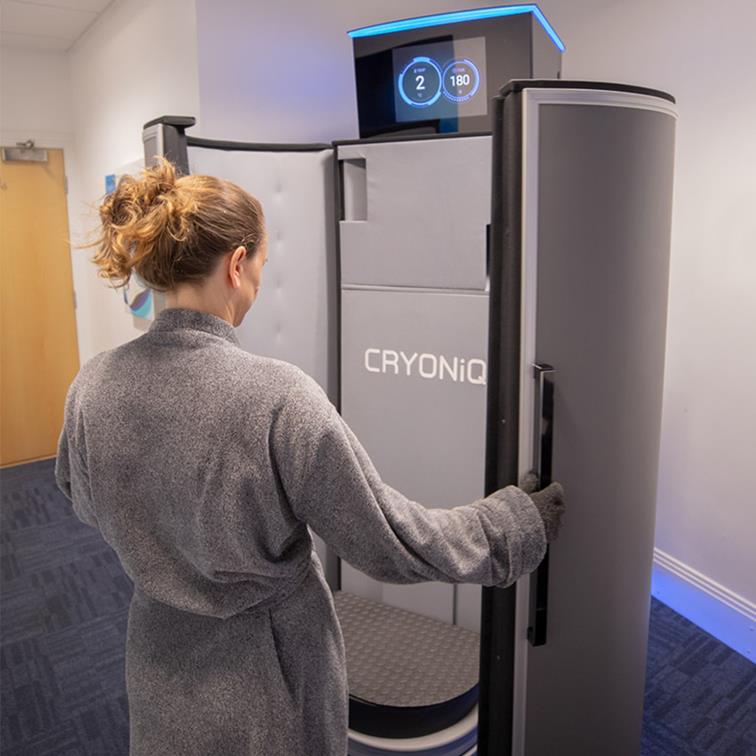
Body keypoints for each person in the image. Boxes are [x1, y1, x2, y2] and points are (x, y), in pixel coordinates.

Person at [55, 159, 565, 756]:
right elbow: (393, 540)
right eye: (262, 267)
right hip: (270, 671)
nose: (259, 284)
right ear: (237, 264)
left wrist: (171, 547)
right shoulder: (275, 398)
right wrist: (512, 525)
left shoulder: (92, 387)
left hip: (158, 657)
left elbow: (83, 500)